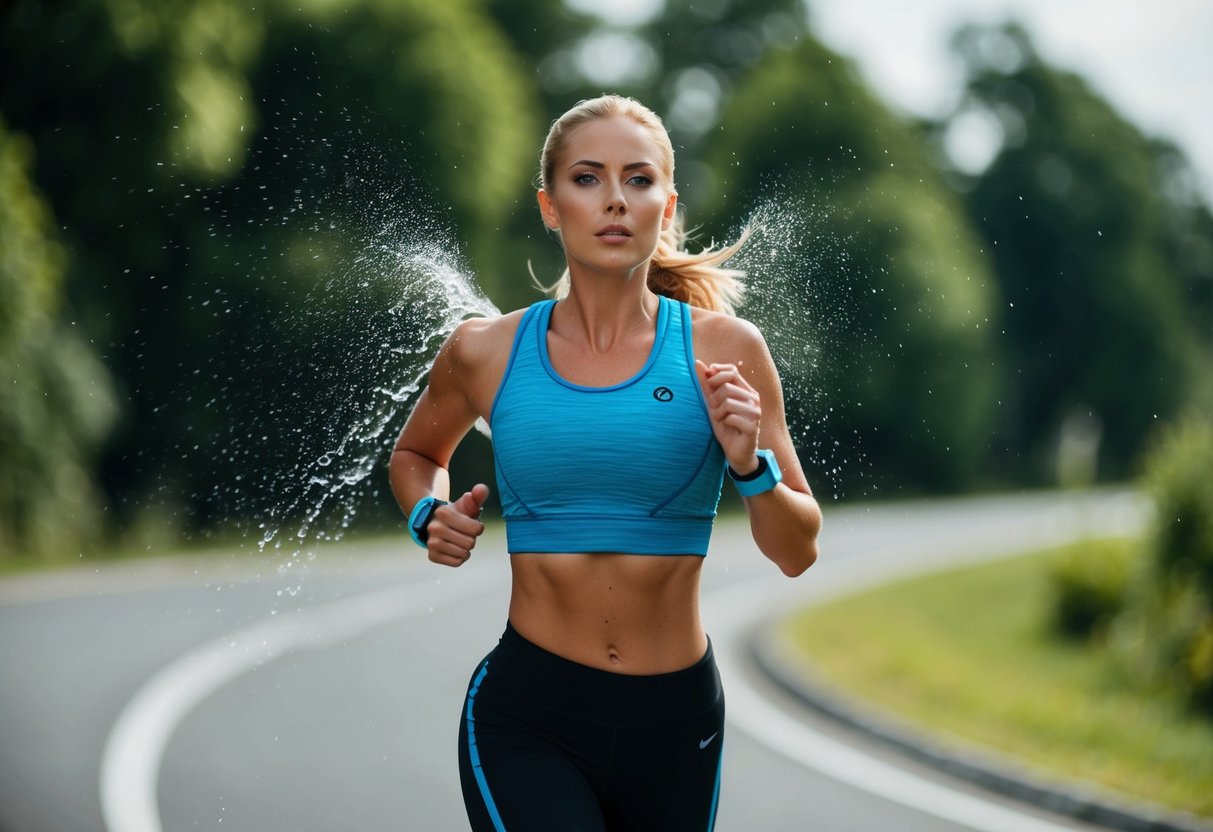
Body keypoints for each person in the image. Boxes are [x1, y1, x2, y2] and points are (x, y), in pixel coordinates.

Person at [389, 94, 821, 832]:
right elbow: (416, 453)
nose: (615, 200)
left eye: (638, 180)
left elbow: (797, 551)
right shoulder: (484, 351)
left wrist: (748, 464)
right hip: (528, 716)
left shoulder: (728, 350)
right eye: (587, 179)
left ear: (666, 204)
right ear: (550, 206)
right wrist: (428, 513)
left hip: (675, 722)